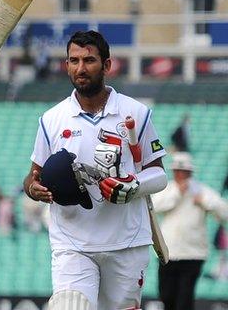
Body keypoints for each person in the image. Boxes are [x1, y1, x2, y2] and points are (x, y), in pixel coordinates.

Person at [23, 30, 168, 309]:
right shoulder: (52, 119)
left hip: (126, 242)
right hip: (72, 242)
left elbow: (159, 175)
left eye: (89, 60)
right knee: (69, 306)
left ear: (107, 65)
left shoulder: (135, 113)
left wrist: (134, 185)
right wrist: (34, 188)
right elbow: (32, 176)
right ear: (66, 65)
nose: (80, 68)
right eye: (73, 61)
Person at [152, 152, 228, 310]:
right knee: (166, 296)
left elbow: (224, 212)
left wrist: (204, 201)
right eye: (177, 171)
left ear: (190, 172)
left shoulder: (201, 191)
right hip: (168, 253)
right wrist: (178, 194)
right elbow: (155, 207)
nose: (180, 175)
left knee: (184, 300)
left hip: (193, 254)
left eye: (183, 171)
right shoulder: (167, 190)